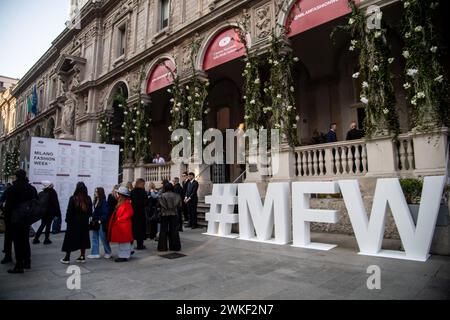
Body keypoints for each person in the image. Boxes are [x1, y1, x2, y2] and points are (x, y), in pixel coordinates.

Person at [3, 170, 37, 273]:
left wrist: (7, 219)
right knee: (25, 241)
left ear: (16, 177)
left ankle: (19, 265)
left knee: (17, 242)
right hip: (26, 219)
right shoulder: (31, 189)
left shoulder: (12, 189)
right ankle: (27, 262)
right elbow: (35, 203)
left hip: (15, 219)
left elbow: (9, 206)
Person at [60, 182, 92, 264]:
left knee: (69, 239)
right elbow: (90, 212)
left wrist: (67, 220)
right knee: (83, 239)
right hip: (84, 222)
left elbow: (69, 211)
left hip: (73, 222)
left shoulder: (73, 198)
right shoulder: (88, 198)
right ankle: (82, 256)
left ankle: (67, 257)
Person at [108, 187, 134, 262]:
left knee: (124, 242)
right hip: (122, 225)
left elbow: (130, 213)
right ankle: (123, 255)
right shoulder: (122, 202)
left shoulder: (126, 203)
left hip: (124, 225)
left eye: (118, 194)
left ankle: (124, 256)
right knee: (122, 242)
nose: (117, 195)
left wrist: (120, 219)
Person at [33, 181, 61, 245]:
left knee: (42, 224)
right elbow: (55, 203)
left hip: (43, 212)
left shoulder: (42, 193)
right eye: (51, 184)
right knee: (48, 225)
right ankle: (46, 239)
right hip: (50, 212)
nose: (52, 185)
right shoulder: (53, 192)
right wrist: (58, 213)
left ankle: (36, 238)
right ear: (49, 186)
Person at [87, 187, 112, 259]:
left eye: (96, 191)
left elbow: (106, 213)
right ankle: (95, 253)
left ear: (100, 192)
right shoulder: (95, 201)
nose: (95, 193)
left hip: (101, 222)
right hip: (95, 222)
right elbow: (95, 211)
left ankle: (108, 252)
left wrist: (100, 220)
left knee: (103, 238)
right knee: (94, 237)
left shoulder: (103, 202)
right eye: (95, 191)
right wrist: (92, 217)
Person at [157, 183, 182, 252]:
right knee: (174, 230)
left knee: (163, 230)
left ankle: (162, 247)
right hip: (174, 214)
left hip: (164, 214)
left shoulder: (162, 196)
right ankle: (175, 247)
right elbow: (180, 205)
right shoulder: (177, 195)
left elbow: (159, 205)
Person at [131, 178, 148, 250]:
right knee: (141, 229)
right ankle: (140, 245)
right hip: (141, 213)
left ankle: (130, 245)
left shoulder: (132, 192)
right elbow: (146, 203)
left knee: (133, 228)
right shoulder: (143, 192)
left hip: (133, 213)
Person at [1, 183, 13, 265]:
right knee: (22, 239)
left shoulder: (10, 189)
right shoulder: (31, 189)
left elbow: (1, 200)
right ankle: (26, 260)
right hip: (23, 218)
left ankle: (8, 255)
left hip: (10, 216)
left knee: (8, 236)